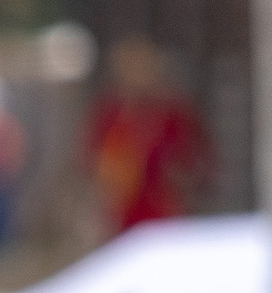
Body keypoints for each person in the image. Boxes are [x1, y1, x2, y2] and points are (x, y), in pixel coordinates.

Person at [87, 35, 209, 232]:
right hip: (123, 212)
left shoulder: (171, 112)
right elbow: (93, 158)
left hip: (164, 210)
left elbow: (195, 158)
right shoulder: (111, 114)